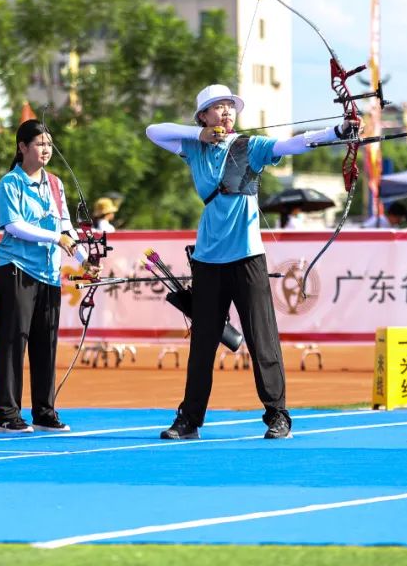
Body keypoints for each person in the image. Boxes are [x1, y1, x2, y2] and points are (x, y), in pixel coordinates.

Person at [146, 84, 358, 440]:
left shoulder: (250, 146)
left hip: (247, 256)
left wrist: (337, 132)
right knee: (203, 344)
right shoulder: (193, 148)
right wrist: (199, 135)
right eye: (217, 107)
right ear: (203, 116)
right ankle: (189, 420)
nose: (226, 112)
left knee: (262, 339)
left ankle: (278, 415)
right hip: (207, 259)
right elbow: (154, 131)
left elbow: (292, 144)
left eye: (230, 106)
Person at [0, 119, 92, 434]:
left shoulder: (56, 184)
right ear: (22, 147)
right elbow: (14, 226)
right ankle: (7, 414)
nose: (46, 149)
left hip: (49, 273)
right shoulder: (10, 183)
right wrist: (54, 238)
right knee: (13, 342)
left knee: (45, 342)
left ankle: (44, 412)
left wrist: (84, 259)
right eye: (39, 144)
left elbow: (65, 227)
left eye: (49, 144)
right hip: (16, 269)